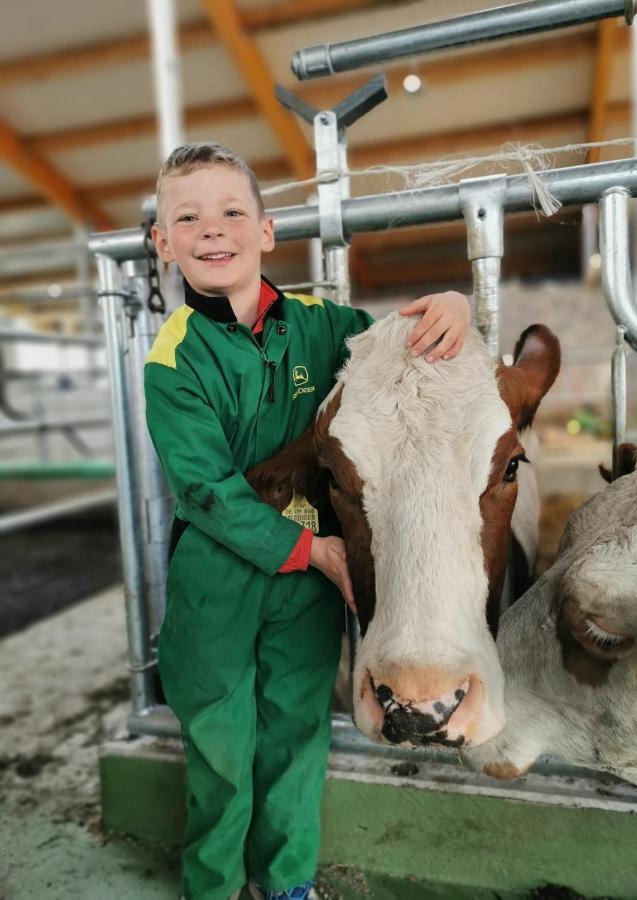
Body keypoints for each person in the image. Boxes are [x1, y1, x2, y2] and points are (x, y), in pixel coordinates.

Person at [144, 142, 471, 900]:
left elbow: (406, 339)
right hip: (221, 574)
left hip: (312, 571)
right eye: (187, 217)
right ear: (164, 244)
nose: (211, 229)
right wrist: (315, 552)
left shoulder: (326, 325)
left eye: (231, 211)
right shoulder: (173, 357)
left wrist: (453, 303)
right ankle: (214, 887)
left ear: (266, 232)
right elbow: (206, 492)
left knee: (295, 732)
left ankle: (286, 882)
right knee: (222, 744)